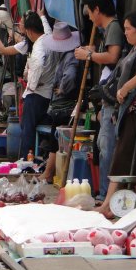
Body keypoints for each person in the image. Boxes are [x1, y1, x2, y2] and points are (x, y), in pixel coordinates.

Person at [93, 11, 136, 216]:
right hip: (125, 108)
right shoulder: (133, 49)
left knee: (123, 155)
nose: (126, 33)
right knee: (126, 156)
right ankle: (113, 203)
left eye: (129, 29)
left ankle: (110, 204)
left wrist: (126, 88)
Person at [74, 0, 123, 200]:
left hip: (113, 97)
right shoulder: (108, 30)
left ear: (97, 10)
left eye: (90, 13)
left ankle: (105, 195)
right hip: (107, 95)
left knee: (107, 146)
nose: (90, 18)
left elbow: (113, 57)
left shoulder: (113, 27)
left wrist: (90, 55)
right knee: (104, 145)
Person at [0, 10, 54, 158]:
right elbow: (5, 50)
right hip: (47, 93)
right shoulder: (46, 39)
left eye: (22, 25)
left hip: (36, 95)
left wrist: (30, 86)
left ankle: (26, 160)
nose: (19, 27)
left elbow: (37, 65)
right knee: (33, 129)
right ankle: (34, 159)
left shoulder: (37, 49)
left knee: (28, 130)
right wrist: (42, 15)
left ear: (30, 29)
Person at [38, 21, 81, 182]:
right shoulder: (67, 55)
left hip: (64, 105)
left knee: (55, 140)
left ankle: (49, 173)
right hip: (62, 105)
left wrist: (63, 89)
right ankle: (50, 172)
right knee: (54, 138)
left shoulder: (70, 56)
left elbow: (69, 76)